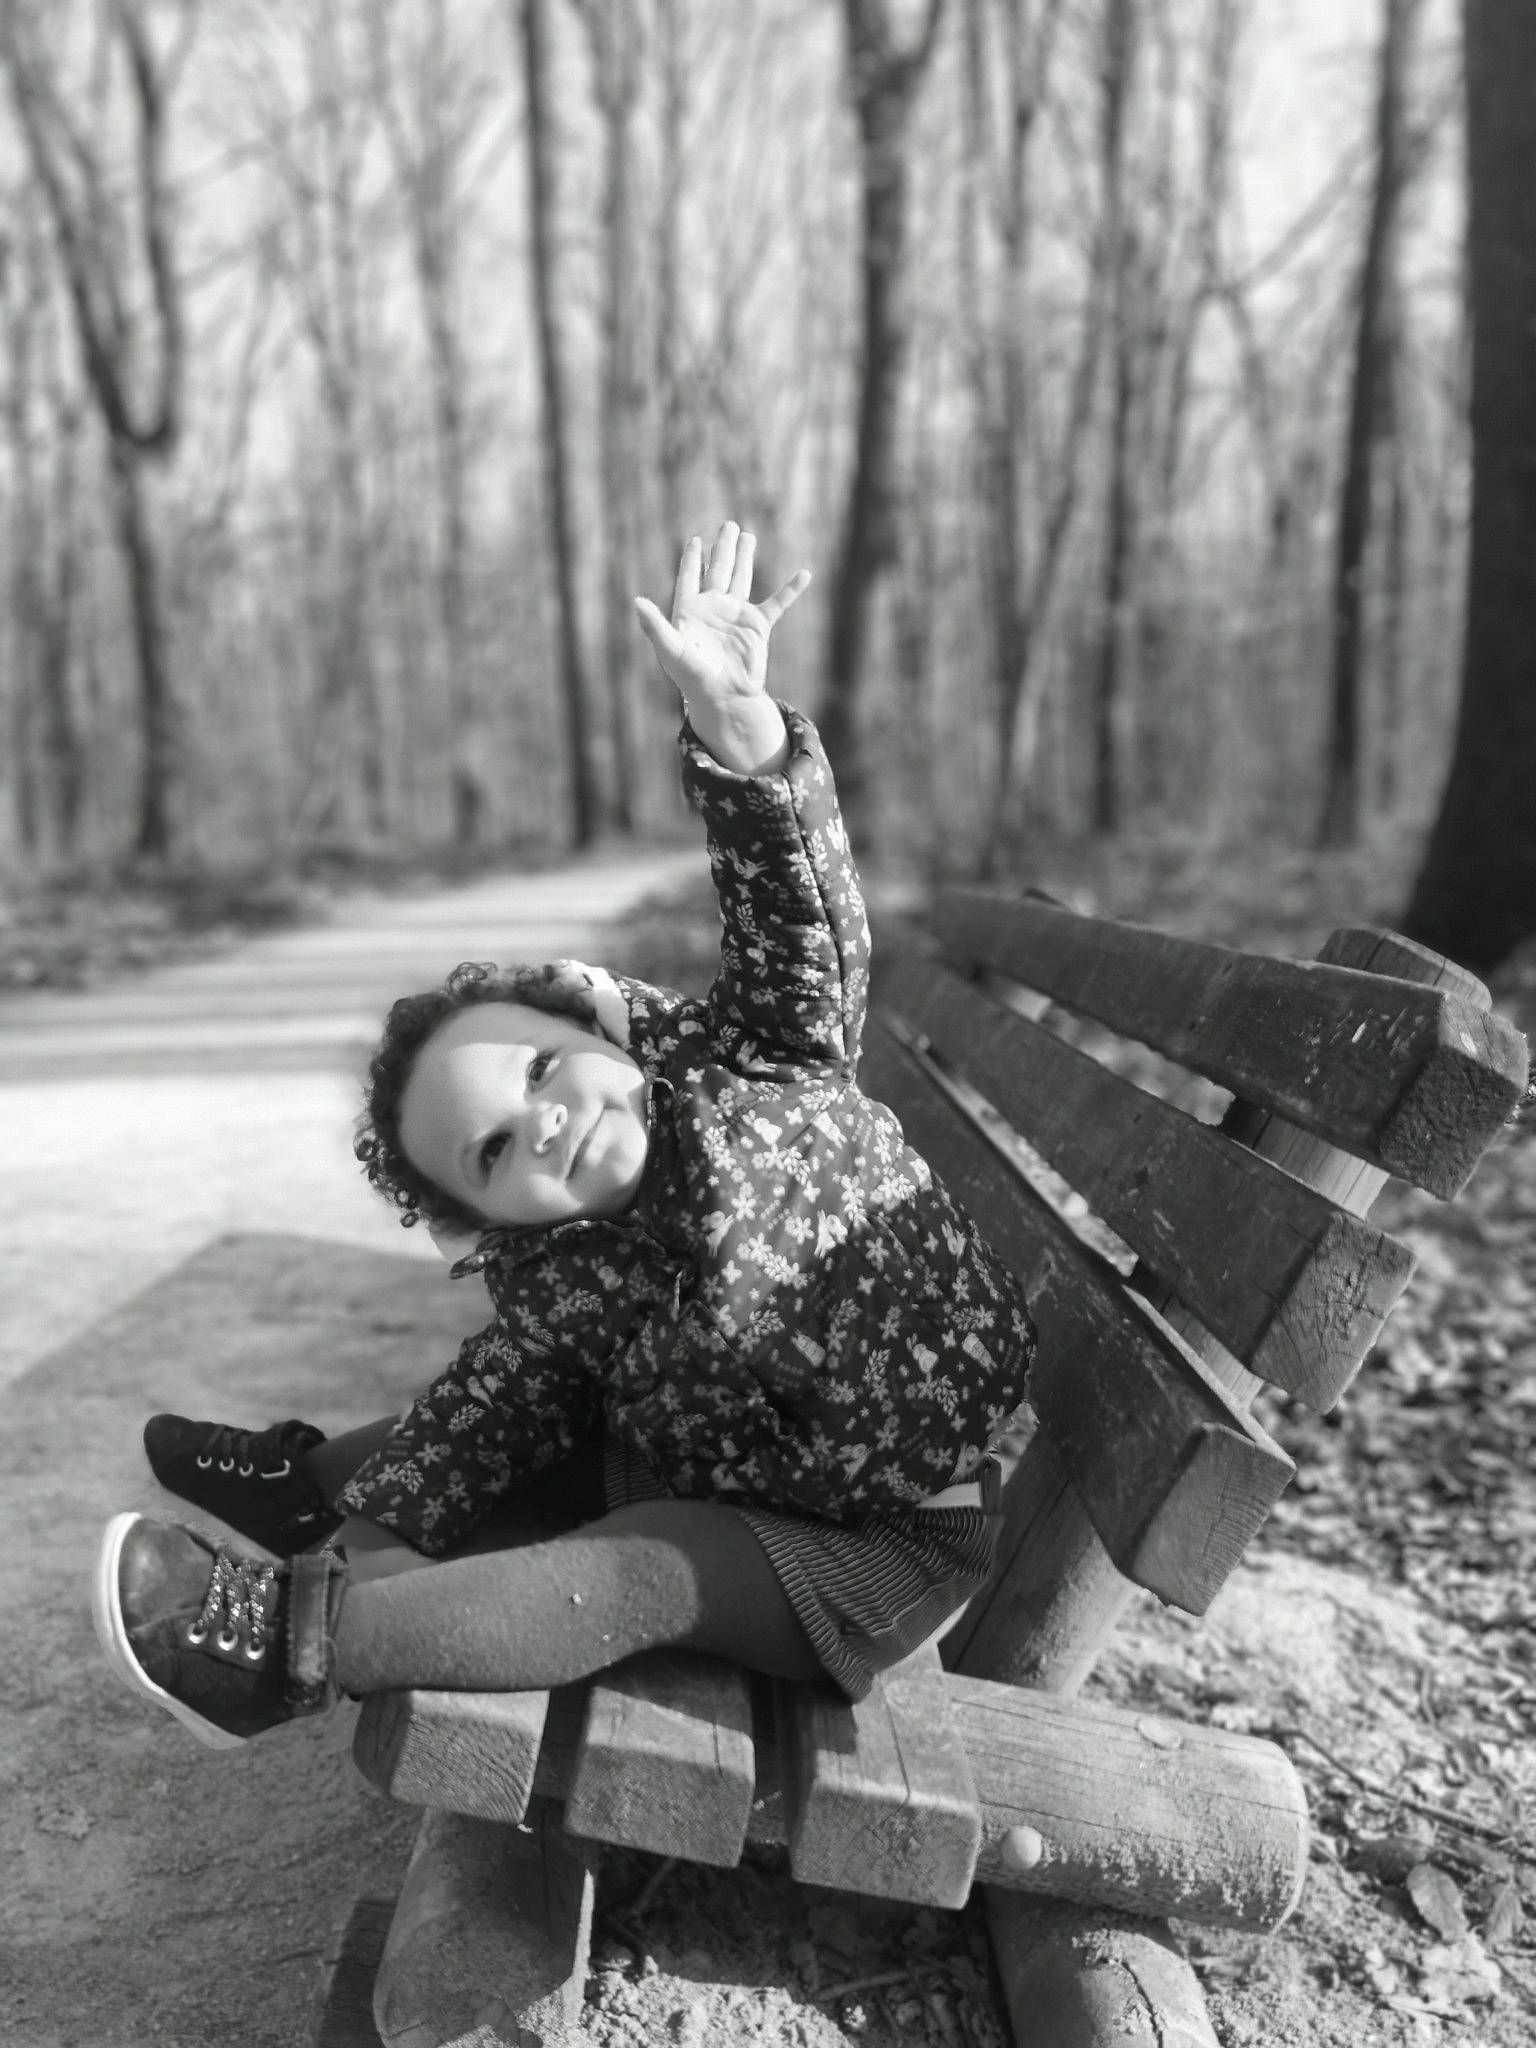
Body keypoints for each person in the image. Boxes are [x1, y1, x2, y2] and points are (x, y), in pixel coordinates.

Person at [93, 521, 1036, 1752]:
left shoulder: (768, 1051)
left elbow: (798, 900)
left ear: (602, 1033)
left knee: (650, 1558)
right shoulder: (573, 1281)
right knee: (534, 1416)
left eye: (542, 1067)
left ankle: (286, 1647)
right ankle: (307, 1491)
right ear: (499, 1218)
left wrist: (738, 730)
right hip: (759, 1477)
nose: (544, 1119)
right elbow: (483, 1409)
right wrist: (376, 1534)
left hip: (893, 1539)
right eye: (493, 1153)